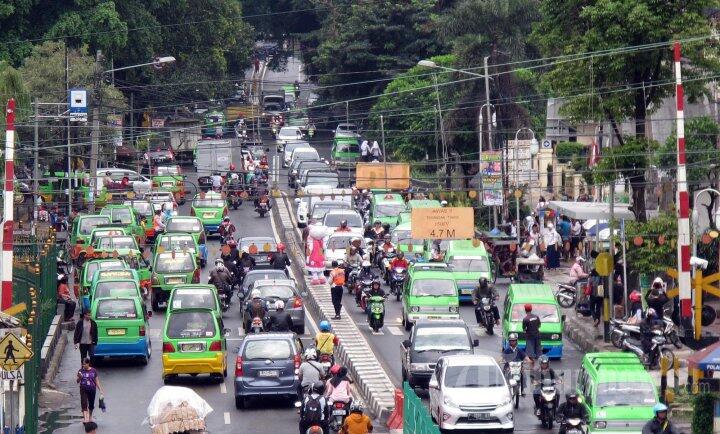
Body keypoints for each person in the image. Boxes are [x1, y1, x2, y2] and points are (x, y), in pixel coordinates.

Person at [77, 357, 105, 423]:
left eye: (84, 364)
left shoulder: (93, 371)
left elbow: (97, 381)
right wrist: (80, 377)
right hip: (83, 389)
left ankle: (90, 417)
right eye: (82, 364)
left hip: (92, 389)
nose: (83, 366)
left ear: (88, 363)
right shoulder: (80, 371)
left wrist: (100, 390)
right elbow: (77, 381)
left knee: (91, 404)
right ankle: (85, 418)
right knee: (84, 403)